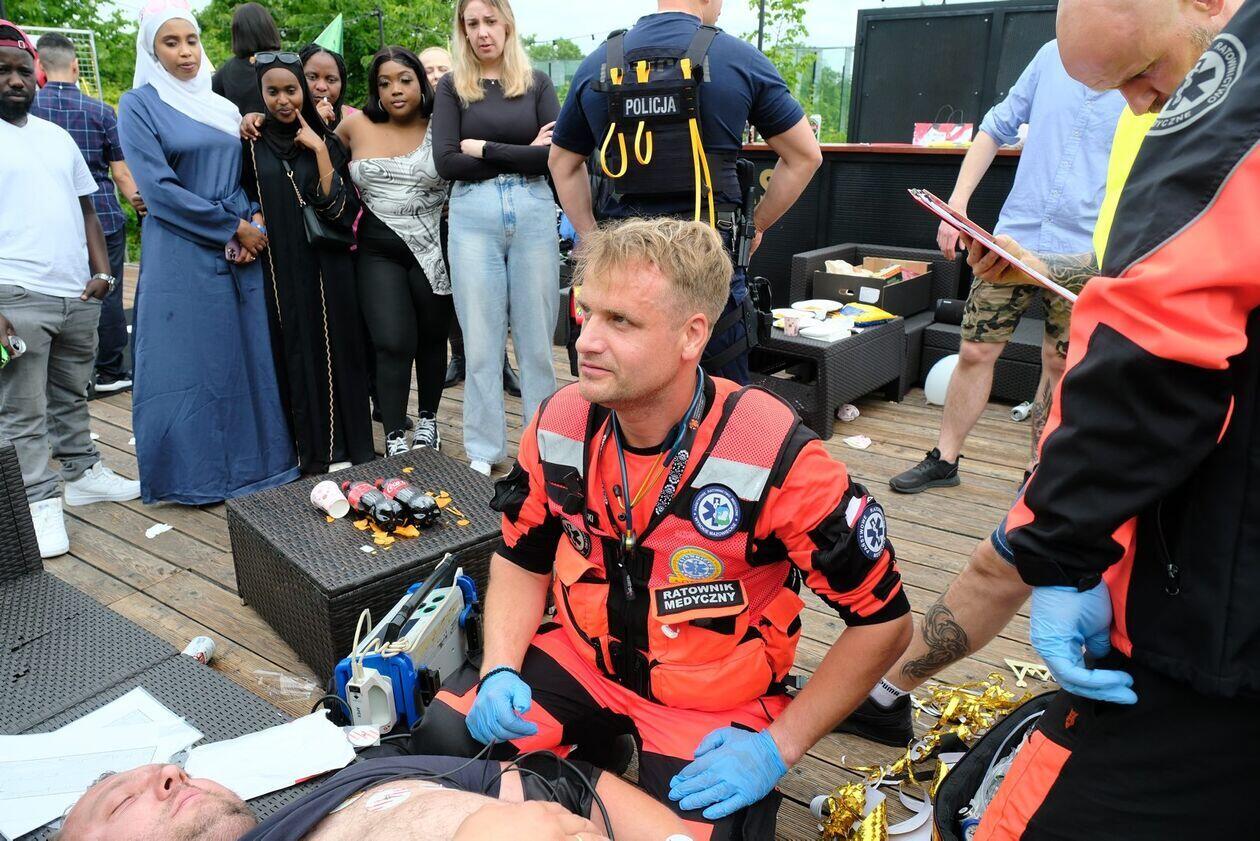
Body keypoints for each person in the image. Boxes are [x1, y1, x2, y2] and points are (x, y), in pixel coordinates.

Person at [412, 219, 912, 839]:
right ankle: (589, 758)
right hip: (582, 658)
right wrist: (500, 669)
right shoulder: (559, 421)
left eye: (620, 321)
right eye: (586, 311)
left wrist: (778, 748)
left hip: (711, 695)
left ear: (691, 335)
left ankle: (585, 771)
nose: (585, 341)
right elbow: (521, 557)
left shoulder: (775, 454)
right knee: (442, 742)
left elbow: (885, 623)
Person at [838, 0, 1245, 752]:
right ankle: (890, 687)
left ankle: (887, 691)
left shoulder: (1222, 119)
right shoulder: (1180, 92)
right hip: (1128, 357)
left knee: (1016, 554)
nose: (1136, 103)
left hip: (1161, 399)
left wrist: (1058, 516)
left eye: (1142, 75)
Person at [973, 2, 1260, 837]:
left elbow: (1155, 341)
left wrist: (1061, 553)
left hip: (1212, 626)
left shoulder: (1235, 87)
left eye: (1142, 76)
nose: (1140, 105)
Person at [888, 41, 1124, 495]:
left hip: (1084, 250)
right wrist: (956, 206)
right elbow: (994, 128)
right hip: (1013, 240)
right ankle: (945, 459)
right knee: (975, 349)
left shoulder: (1139, 74)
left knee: (1060, 362)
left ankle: (1038, 472)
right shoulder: (1052, 55)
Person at [548, 0, 823, 385]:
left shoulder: (598, 64)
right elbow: (805, 156)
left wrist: (591, 238)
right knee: (721, 402)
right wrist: (757, 226)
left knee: (624, 396)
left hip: (623, 274)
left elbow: (561, 161)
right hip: (711, 275)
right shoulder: (739, 59)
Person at [118, 0, 298, 504]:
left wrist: (255, 218)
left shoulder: (221, 107)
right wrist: (231, 227)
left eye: (191, 40)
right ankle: (193, 477)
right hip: (183, 251)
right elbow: (159, 191)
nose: (185, 52)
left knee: (245, 359)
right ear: (152, 51)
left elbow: (243, 176)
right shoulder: (138, 104)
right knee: (187, 367)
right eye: (170, 43)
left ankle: (258, 467)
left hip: (240, 252)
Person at [0, 21, 140, 559]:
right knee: (21, 408)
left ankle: (82, 475)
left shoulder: (55, 136)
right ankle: (36, 501)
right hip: (15, 293)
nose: (15, 80)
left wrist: (103, 274)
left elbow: (88, 207)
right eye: (3, 71)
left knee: (72, 394)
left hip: (76, 293)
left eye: (22, 71)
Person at [432, 0, 561, 477]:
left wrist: (483, 148)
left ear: (507, 24)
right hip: (473, 214)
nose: (482, 31)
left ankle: (542, 447)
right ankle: (485, 450)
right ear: (463, 31)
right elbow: (447, 162)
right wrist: (522, 151)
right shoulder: (452, 86)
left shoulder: (536, 82)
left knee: (536, 342)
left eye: (490, 21)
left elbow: (554, 156)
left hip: (532, 209)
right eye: (473, 23)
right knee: (481, 342)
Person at [239, 51, 374, 474]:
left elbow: (342, 212)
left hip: (328, 267)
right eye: (272, 92)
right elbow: (244, 194)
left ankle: (347, 449)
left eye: (291, 90)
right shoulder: (252, 143)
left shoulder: (326, 141)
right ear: (260, 94)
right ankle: (308, 454)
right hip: (280, 268)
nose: (283, 100)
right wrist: (253, 216)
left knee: (338, 351)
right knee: (294, 350)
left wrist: (318, 150)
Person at [55, 754, 686, 840]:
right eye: (120, 800)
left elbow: (565, 783)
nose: (170, 772)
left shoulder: (360, 777)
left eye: (181, 772)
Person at [337, 47, 452, 456]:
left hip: (434, 248)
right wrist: (253, 118)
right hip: (377, 251)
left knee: (432, 338)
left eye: (405, 80)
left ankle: (429, 422)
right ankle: (393, 435)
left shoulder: (444, 122)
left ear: (420, 81)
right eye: (384, 83)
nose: (395, 90)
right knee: (391, 341)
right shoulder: (353, 126)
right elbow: (311, 149)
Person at [31, 32, 146, 395]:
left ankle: (56, 375)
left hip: (47, 219)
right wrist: (142, 206)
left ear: (40, 67)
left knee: (51, 292)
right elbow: (121, 173)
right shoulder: (101, 111)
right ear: (76, 66)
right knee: (107, 291)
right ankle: (111, 371)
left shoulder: (26, 111)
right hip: (103, 215)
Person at [211, 2, 281, 115]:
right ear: (269, 28)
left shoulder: (226, 71)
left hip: (239, 126)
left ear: (237, 33)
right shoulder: (287, 62)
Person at [298, 43, 355, 129]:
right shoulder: (283, 117)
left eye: (331, 80)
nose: (321, 87)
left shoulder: (357, 121)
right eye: (312, 77)